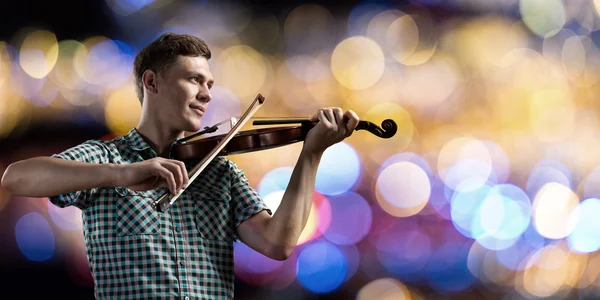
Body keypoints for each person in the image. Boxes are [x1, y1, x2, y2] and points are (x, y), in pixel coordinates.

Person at [1, 32, 359, 299]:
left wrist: (311, 154)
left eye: (210, 84)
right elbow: (16, 177)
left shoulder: (220, 172)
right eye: (194, 80)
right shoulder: (108, 159)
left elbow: (277, 244)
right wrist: (124, 174)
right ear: (152, 82)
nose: (207, 94)